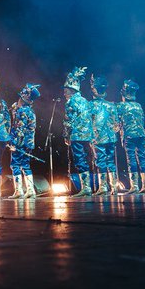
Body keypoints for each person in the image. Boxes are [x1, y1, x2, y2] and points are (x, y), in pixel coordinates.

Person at [62, 66, 93, 197]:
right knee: (87, 159)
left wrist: (66, 135)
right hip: (87, 135)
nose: (64, 94)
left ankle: (86, 188)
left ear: (71, 90)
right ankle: (89, 186)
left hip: (77, 135)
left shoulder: (70, 102)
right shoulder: (85, 101)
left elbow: (68, 121)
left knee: (79, 159)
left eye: (65, 91)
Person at [8, 82, 41, 199]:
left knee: (15, 165)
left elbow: (19, 130)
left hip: (20, 142)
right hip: (29, 143)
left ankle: (19, 191)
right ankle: (31, 190)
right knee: (25, 165)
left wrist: (14, 143)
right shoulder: (30, 111)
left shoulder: (22, 111)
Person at [90, 72, 120, 196]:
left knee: (101, 161)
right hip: (111, 138)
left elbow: (89, 122)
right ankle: (114, 186)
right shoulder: (111, 105)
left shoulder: (91, 105)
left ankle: (103, 187)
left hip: (98, 138)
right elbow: (117, 124)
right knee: (111, 161)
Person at [117, 79, 145, 193]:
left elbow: (117, 122)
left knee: (131, 159)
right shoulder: (138, 105)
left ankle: (134, 186)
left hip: (129, 135)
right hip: (141, 134)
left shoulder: (121, 106)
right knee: (142, 158)